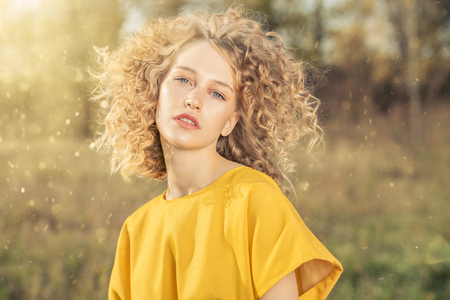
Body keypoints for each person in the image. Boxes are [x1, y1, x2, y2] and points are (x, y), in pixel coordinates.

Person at [92, 5, 343, 300]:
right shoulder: (135, 230)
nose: (194, 100)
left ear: (229, 122)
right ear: (155, 92)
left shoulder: (256, 200)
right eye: (183, 80)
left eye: (217, 93)